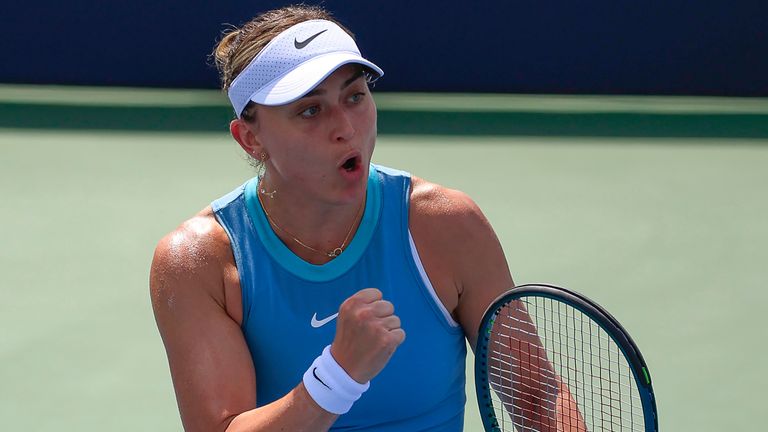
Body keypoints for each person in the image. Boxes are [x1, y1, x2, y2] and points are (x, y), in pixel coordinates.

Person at [151, 5, 552, 431]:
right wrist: (336, 379)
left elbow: (536, 398)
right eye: (311, 110)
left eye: (355, 96)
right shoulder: (199, 263)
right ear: (251, 138)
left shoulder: (446, 225)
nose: (346, 127)